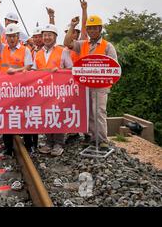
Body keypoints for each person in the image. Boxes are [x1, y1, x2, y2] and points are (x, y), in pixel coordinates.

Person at [64, 14, 118, 149]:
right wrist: (72, 26)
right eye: (90, 28)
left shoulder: (107, 46)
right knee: (88, 111)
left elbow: (114, 67)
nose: (92, 31)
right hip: (85, 85)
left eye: (95, 28)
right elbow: (67, 43)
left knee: (99, 111)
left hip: (101, 86)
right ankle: (91, 137)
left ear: (100, 29)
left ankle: (102, 140)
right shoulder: (82, 45)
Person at [0, 5, 33, 156]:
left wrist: (16, 71)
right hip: (6, 89)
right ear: (6, 37)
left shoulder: (25, 50)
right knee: (7, 117)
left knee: (24, 116)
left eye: (14, 36)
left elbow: (28, 66)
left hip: (21, 89)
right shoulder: (3, 49)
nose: (12, 38)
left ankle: (29, 146)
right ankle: (8, 148)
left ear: (18, 37)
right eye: (9, 36)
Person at [33, 24, 73, 156]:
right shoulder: (38, 53)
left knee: (58, 114)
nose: (47, 37)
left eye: (50, 35)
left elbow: (71, 69)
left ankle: (58, 143)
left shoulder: (63, 51)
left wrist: (60, 71)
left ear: (55, 37)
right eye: (45, 35)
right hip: (43, 90)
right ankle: (49, 142)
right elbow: (33, 71)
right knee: (46, 115)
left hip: (59, 89)